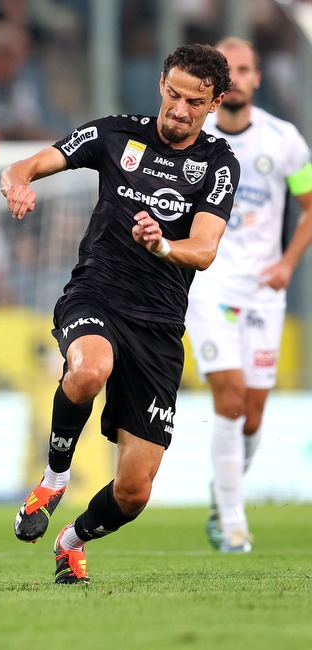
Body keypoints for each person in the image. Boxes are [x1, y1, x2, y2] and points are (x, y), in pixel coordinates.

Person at [0, 44, 237, 583]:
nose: (178, 109)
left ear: (214, 103)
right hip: (96, 295)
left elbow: (204, 249)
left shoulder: (219, 164)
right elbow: (30, 162)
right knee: (87, 369)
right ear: (160, 84)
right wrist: (17, 182)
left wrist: (162, 247)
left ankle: (70, 541)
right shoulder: (115, 132)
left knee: (134, 493)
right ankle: (54, 479)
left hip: (158, 327)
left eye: (193, 102)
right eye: (173, 94)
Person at [186, 38, 312, 554]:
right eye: (226, 69)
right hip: (210, 283)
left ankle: (224, 493)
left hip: (264, 291)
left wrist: (286, 263)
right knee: (231, 398)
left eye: (243, 69)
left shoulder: (284, 141)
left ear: (257, 78)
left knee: (254, 414)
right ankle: (233, 520)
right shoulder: (191, 138)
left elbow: (309, 207)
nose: (235, 77)